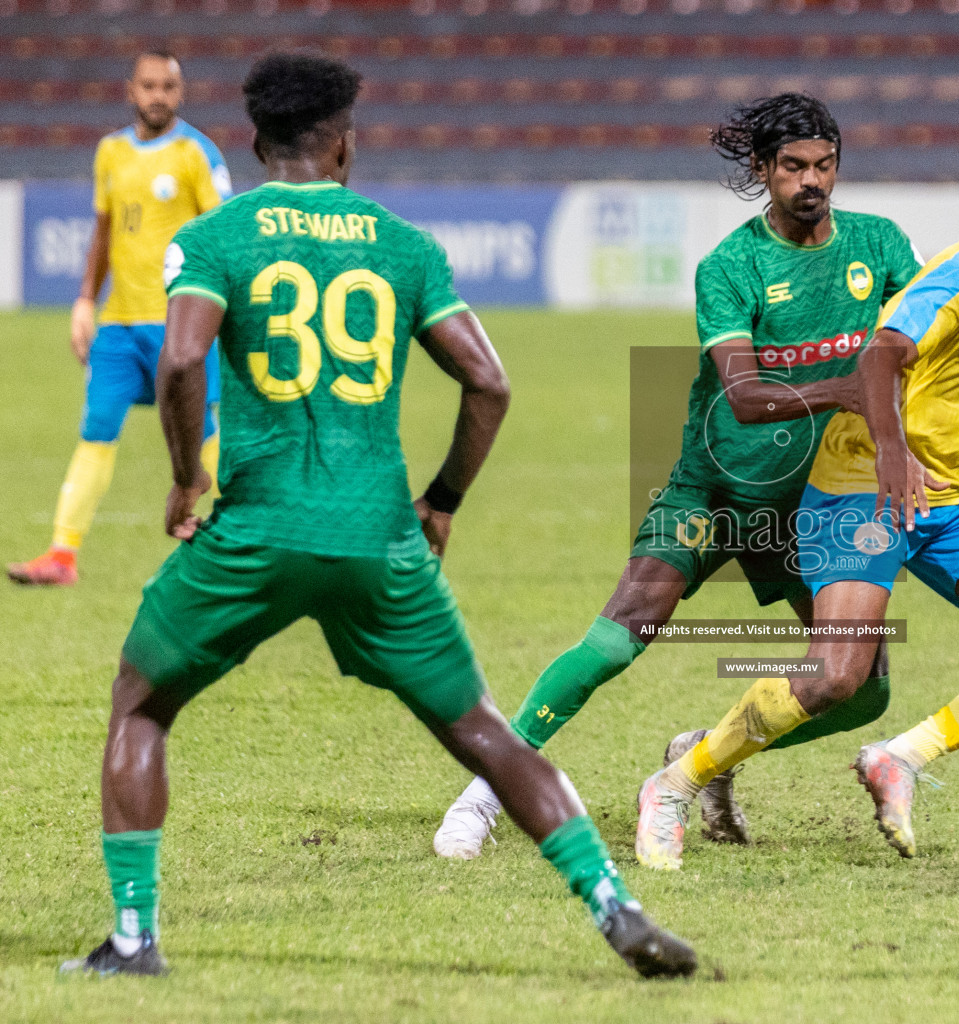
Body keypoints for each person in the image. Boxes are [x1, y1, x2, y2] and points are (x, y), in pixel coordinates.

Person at [60, 51, 695, 979]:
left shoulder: (220, 236)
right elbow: (488, 380)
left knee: (142, 704)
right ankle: (614, 905)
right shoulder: (402, 245)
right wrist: (441, 501)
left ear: (256, 143)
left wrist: (182, 480)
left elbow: (184, 361)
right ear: (345, 148)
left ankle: (133, 938)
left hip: (256, 530)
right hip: (379, 535)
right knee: (484, 728)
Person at [433, 94, 923, 859]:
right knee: (616, 638)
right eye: (793, 166)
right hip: (715, 490)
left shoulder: (882, 245)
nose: (811, 181)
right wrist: (847, 390)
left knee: (866, 689)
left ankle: (706, 754)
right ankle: (485, 791)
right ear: (762, 170)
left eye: (824, 165)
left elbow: (922, 345)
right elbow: (745, 395)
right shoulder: (730, 266)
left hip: (812, 504)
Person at [635, 145, 959, 870]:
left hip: (956, 490)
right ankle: (675, 782)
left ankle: (901, 758)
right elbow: (882, 352)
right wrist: (891, 449)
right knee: (836, 677)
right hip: (860, 479)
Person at [9, 51, 228, 586]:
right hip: (119, 325)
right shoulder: (109, 152)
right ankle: (62, 555)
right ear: (131, 90)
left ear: (180, 92)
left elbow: (222, 236)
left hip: (180, 329)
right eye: (148, 85)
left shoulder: (197, 154)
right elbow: (104, 232)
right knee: (97, 428)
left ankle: (220, 549)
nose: (157, 95)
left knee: (204, 438)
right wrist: (85, 299)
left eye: (167, 87)